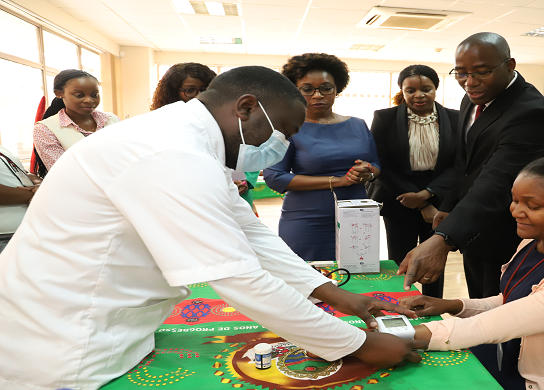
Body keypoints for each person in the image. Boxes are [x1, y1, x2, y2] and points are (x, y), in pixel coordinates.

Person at [0, 66, 425, 390]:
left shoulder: (188, 141)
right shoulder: (171, 152)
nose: (280, 146)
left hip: (106, 323)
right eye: (283, 132)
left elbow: (249, 233)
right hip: (67, 340)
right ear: (245, 109)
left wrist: (331, 293)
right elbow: (236, 274)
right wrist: (355, 345)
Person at [399, 153, 544, 390]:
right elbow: (514, 302)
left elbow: (487, 327)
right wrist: (453, 305)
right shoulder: (533, 243)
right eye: (514, 200)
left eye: (533, 206)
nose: (516, 211)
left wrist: (385, 338)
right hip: (513, 360)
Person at [398, 32, 544, 298]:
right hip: (473, 231)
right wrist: (448, 207)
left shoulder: (532, 113)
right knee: (477, 306)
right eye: (460, 73)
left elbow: (497, 179)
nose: (469, 82)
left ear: (510, 65)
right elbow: (466, 164)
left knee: (500, 314)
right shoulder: (473, 98)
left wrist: (444, 239)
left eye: (482, 72)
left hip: (506, 233)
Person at [264, 53, 380, 261]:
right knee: (308, 283)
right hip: (307, 221)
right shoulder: (287, 127)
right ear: (294, 91)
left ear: (337, 89)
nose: (318, 95)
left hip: (357, 220)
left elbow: (376, 165)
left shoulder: (358, 124)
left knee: (357, 280)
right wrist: (339, 181)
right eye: (307, 89)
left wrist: (367, 172)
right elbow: (275, 177)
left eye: (326, 88)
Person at [367, 65, 459, 298]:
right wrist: (420, 203)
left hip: (439, 197)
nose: (419, 95)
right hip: (398, 196)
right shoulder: (384, 117)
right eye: (411, 90)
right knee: (400, 259)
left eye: (426, 89)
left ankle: (431, 304)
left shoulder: (455, 118)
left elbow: (459, 164)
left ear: (436, 89)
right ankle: (401, 304)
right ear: (402, 91)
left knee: (434, 258)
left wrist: (427, 195)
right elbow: (381, 164)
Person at [149, 63, 258, 210]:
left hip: (233, 197)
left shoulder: (229, 120)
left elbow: (242, 154)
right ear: (173, 92)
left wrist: (240, 179)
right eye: (190, 90)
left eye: (205, 90)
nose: (199, 96)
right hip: (185, 198)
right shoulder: (159, 125)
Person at [33, 69, 120, 177]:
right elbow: (63, 172)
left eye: (94, 95)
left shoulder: (112, 120)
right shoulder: (45, 129)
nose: (89, 100)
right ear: (59, 94)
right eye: (79, 95)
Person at [0, 146, 41, 253]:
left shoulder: (3, 149)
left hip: (28, 231)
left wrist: (40, 185)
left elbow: (22, 173)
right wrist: (39, 194)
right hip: (5, 237)